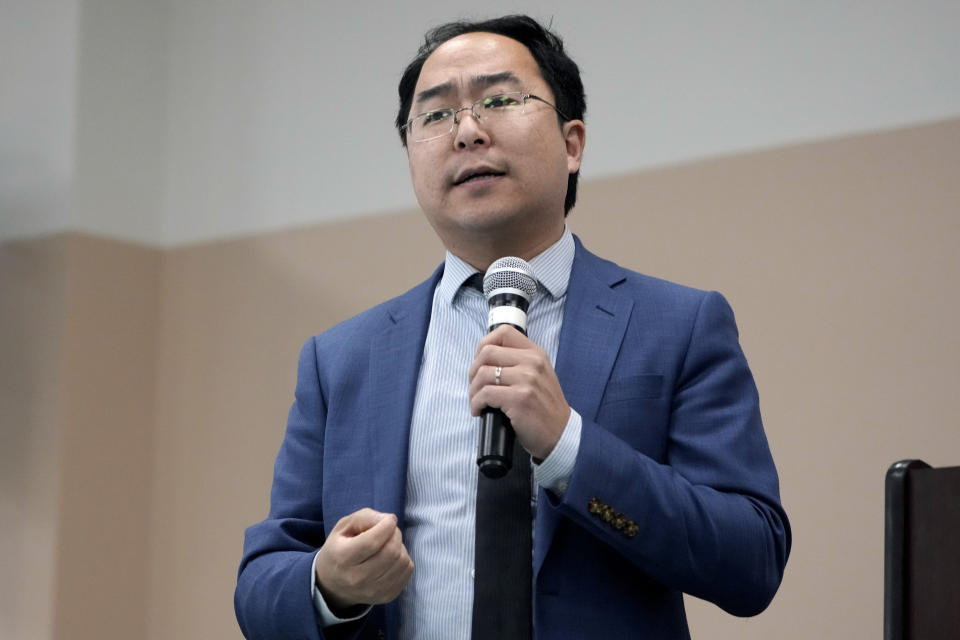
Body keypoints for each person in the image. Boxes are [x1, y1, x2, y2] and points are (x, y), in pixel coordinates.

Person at [235, 14, 790, 640]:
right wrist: (330, 586)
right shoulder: (342, 358)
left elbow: (751, 561)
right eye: (436, 115)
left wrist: (569, 447)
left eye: (499, 100)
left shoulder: (678, 324)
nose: (467, 131)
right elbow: (262, 584)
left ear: (573, 142)